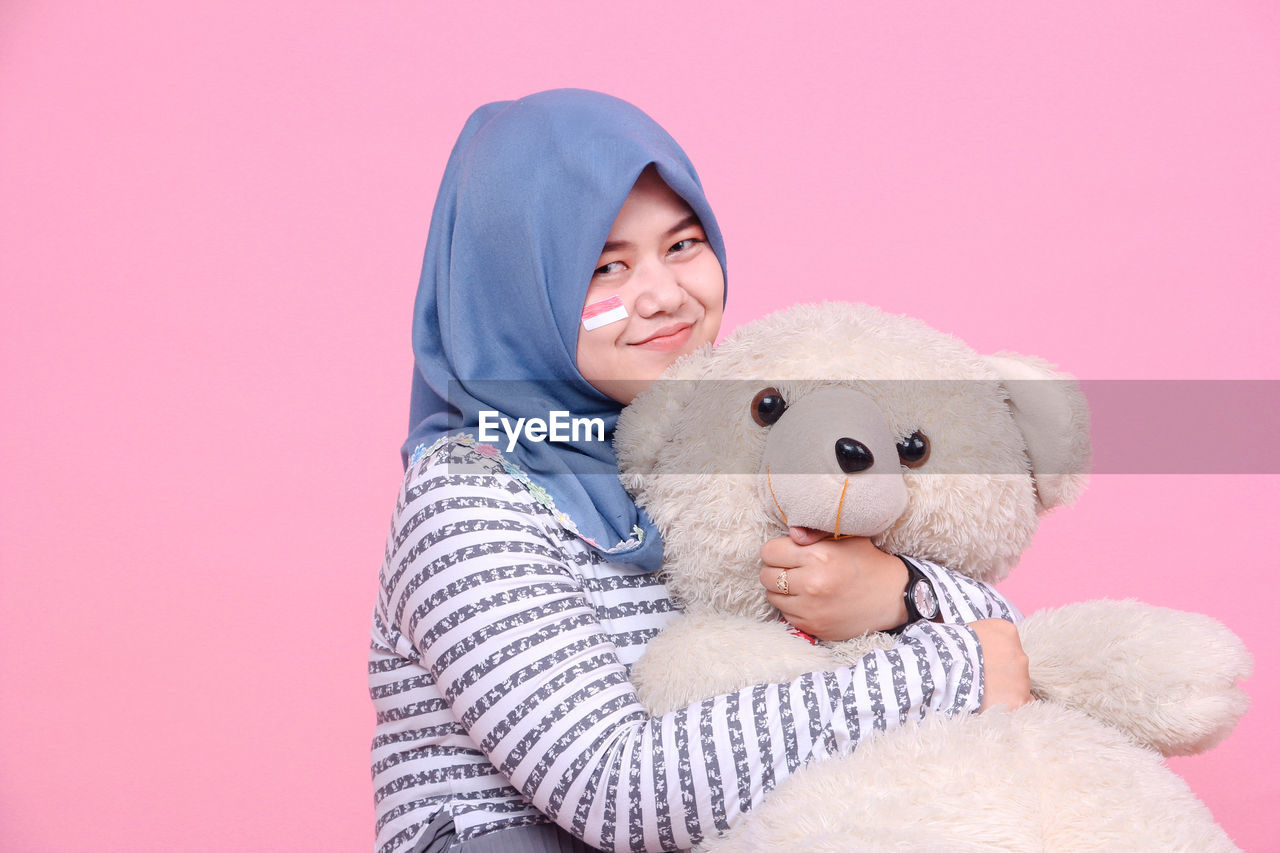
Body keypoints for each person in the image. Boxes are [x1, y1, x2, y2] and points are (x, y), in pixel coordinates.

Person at [369, 89, 1030, 853]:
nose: (664, 296)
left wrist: (897, 590)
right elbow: (613, 787)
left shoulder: (711, 448)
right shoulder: (467, 495)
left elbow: (1005, 648)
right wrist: (944, 672)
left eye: (682, 245)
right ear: (517, 288)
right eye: (605, 268)